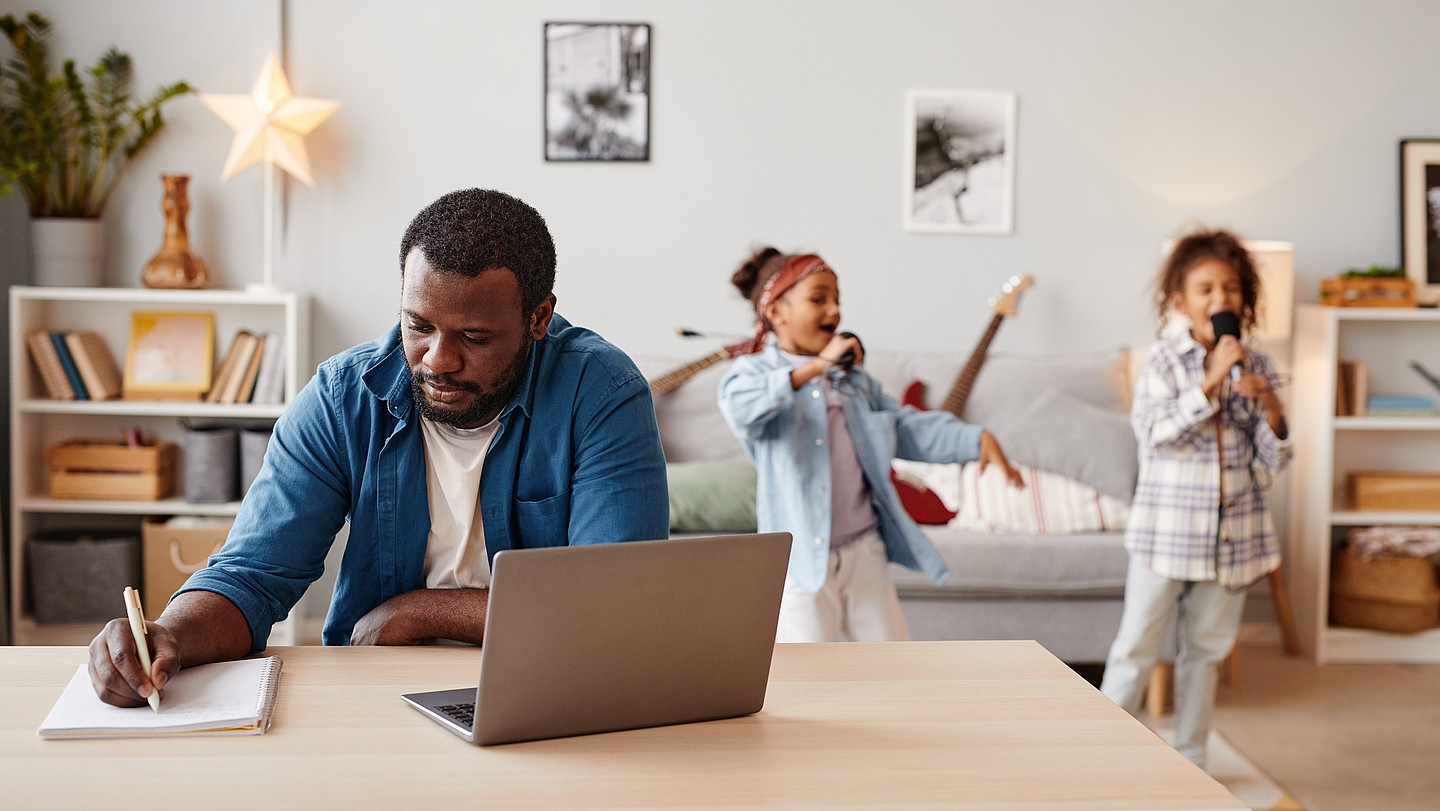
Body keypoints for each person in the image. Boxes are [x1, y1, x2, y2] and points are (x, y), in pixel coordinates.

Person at [88, 188, 669, 707]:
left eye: (474, 336)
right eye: (418, 326)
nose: (438, 359)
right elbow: (251, 576)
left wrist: (417, 612)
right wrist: (168, 636)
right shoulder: (343, 398)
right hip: (375, 689)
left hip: (552, 684)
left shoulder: (601, 394)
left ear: (538, 316)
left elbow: (609, 606)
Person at [717, 249, 1023, 643]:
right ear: (776, 312)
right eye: (819, 298)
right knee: (808, 676)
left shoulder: (852, 380)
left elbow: (902, 427)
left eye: (837, 300)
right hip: (801, 561)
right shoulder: (754, 374)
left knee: (891, 665)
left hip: (864, 550)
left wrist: (972, 438)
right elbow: (742, 408)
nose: (834, 310)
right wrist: (814, 368)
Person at [1099, 228, 1291, 769]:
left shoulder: (1259, 367)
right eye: (1205, 288)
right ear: (1180, 301)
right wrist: (1206, 385)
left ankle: (1190, 760)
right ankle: (1104, 757)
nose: (1220, 299)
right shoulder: (1163, 363)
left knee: (1204, 655)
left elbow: (1271, 461)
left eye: (1230, 287)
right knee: (1135, 648)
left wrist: (1273, 407)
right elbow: (1156, 436)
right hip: (1165, 535)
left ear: (1245, 299)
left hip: (1232, 541)